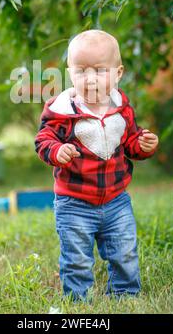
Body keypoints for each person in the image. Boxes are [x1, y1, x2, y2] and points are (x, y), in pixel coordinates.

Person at [34, 29, 159, 303]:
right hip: (74, 202)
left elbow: (129, 143)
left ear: (118, 74)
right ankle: (78, 301)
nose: (90, 79)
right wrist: (57, 150)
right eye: (81, 71)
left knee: (124, 251)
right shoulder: (62, 110)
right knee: (77, 257)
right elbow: (43, 140)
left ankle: (124, 295)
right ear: (70, 73)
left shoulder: (121, 107)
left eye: (100, 71)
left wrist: (143, 144)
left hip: (116, 200)